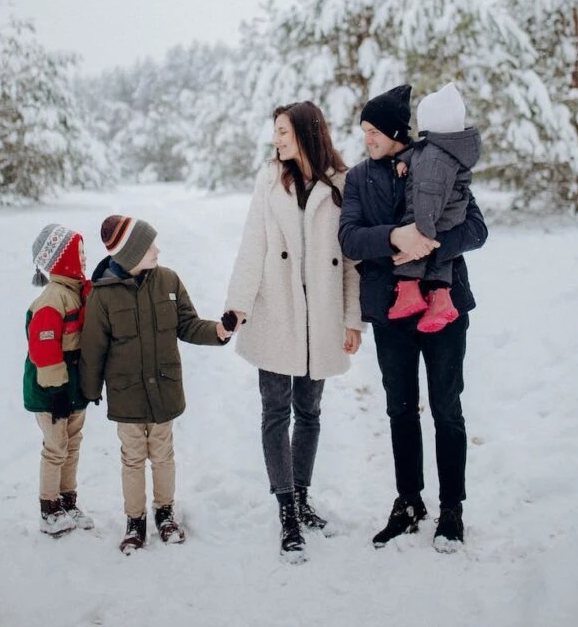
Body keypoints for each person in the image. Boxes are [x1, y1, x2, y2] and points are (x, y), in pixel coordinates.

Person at [338, 84, 488, 552]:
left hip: (445, 310)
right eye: (363, 131)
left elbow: (477, 229)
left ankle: (452, 509)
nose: (367, 139)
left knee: (447, 409)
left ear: (396, 131)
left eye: (373, 131)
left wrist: (432, 243)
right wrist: (398, 238)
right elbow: (350, 239)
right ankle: (408, 502)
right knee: (400, 409)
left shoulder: (440, 158)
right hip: (393, 311)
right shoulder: (359, 178)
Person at [224, 101, 363, 562]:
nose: (276, 140)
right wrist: (237, 307)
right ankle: (286, 509)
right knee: (274, 413)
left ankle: (302, 497)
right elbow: (252, 246)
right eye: (275, 132)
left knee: (310, 411)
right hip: (276, 312)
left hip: (320, 317)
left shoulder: (340, 185)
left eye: (282, 132)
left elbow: (350, 263)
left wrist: (351, 318)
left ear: (304, 133)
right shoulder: (269, 180)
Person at [79, 214, 232, 554]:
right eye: (149, 246)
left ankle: (165, 512)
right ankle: (135, 521)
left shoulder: (168, 281)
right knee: (133, 458)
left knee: (162, 455)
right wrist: (89, 391)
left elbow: (189, 325)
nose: (157, 249)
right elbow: (93, 348)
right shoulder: (102, 296)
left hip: (163, 387)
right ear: (131, 253)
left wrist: (219, 332)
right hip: (126, 394)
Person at [389, 82, 482, 333]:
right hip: (450, 211)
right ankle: (439, 298)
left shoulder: (434, 159)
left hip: (434, 213)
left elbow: (427, 194)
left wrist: (422, 236)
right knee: (442, 258)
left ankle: (412, 292)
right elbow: (422, 152)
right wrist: (405, 159)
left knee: (417, 239)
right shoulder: (442, 149)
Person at [23, 223, 94, 536]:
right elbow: (44, 348)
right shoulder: (53, 299)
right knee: (56, 447)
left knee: (72, 444)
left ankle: (67, 500)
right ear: (64, 260)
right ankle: (48, 507)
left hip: (72, 387)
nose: (84, 258)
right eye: (79, 253)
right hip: (51, 390)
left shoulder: (75, 293)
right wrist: (56, 391)